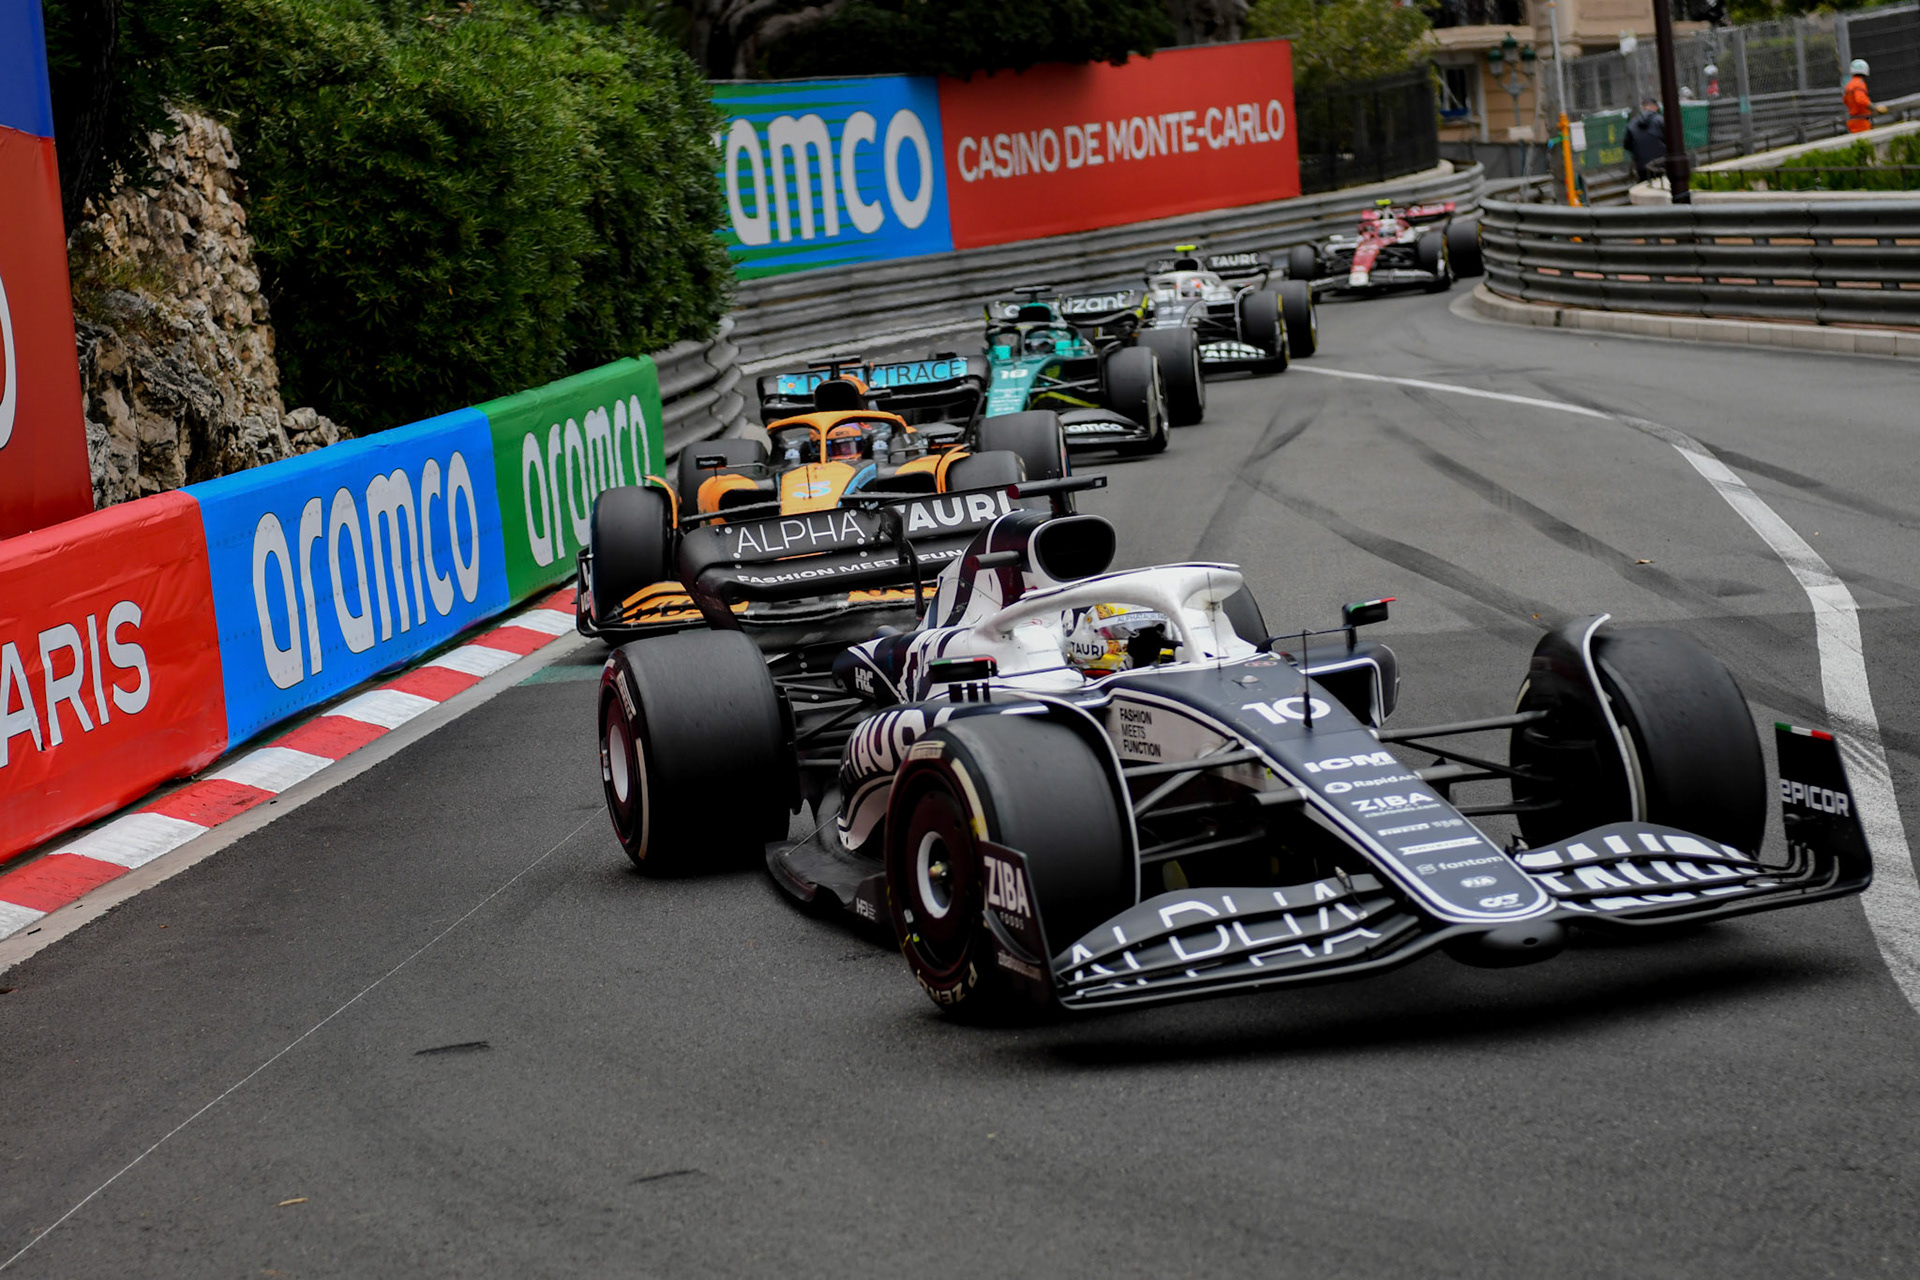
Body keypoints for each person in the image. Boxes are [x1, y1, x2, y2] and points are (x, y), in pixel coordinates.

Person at [1624, 98, 1666, 181]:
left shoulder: (1632, 123)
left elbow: (1627, 145)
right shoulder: (1660, 120)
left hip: (1642, 166)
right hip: (1662, 164)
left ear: (1643, 108)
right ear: (1656, 107)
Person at [1846, 59, 1889, 133]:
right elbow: (1860, 99)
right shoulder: (1859, 84)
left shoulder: (1849, 85)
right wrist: (1875, 108)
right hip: (1861, 122)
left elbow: (1845, 100)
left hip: (1852, 121)